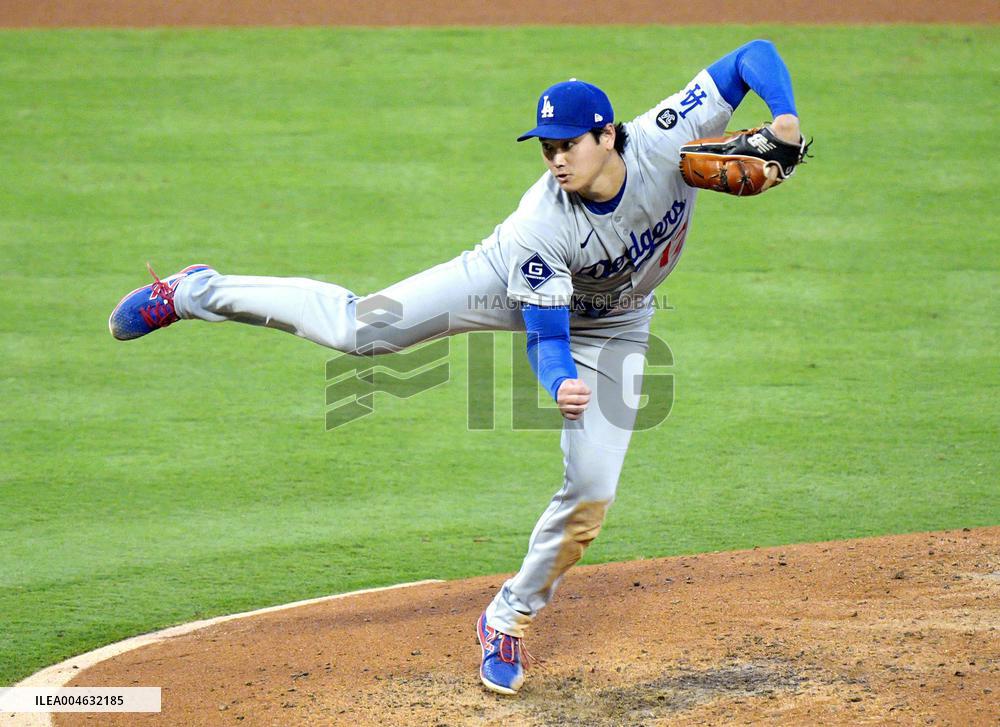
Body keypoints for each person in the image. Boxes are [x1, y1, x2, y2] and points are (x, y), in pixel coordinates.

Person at [109, 39, 806, 695]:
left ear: (607, 135)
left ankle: (506, 619)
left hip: (620, 323)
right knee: (362, 329)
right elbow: (545, 333)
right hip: (504, 281)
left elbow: (753, 55)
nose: (556, 159)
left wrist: (785, 118)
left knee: (592, 492)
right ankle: (196, 291)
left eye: (568, 144)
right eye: (546, 148)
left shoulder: (661, 135)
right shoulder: (544, 221)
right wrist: (559, 379)